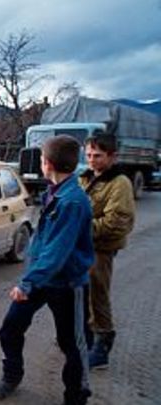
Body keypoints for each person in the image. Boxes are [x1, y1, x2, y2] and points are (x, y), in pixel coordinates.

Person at [0, 135, 94, 405]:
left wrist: (26, 283)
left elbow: (58, 252)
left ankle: (76, 396)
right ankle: (12, 376)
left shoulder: (72, 201)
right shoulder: (53, 191)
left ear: (47, 163)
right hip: (41, 279)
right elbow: (43, 242)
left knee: (72, 345)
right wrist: (31, 276)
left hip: (68, 284)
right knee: (10, 329)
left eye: (42, 158)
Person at [78, 133, 135, 370]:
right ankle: (85, 336)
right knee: (81, 291)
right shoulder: (87, 177)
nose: (91, 159)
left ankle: (103, 344)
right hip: (84, 246)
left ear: (112, 156)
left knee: (98, 294)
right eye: (89, 154)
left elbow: (117, 221)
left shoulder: (119, 183)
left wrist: (80, 228)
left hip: (101, 248)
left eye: (98, 156)